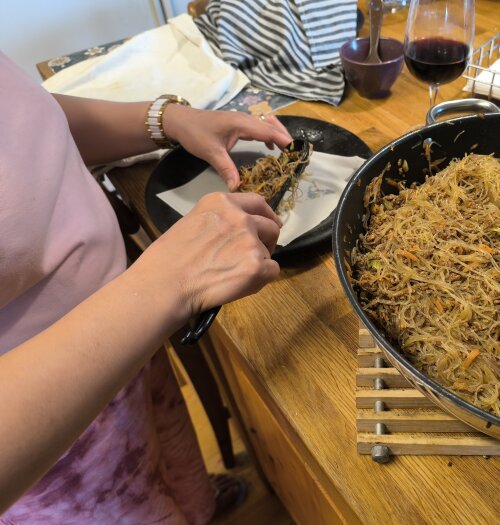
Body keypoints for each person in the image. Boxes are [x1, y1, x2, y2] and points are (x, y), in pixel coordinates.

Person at [0, 50, 293, 523]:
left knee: (179, 472)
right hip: (50, 448)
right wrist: (165, 283)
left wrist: (165, 120)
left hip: (130, 337)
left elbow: (24, 122)